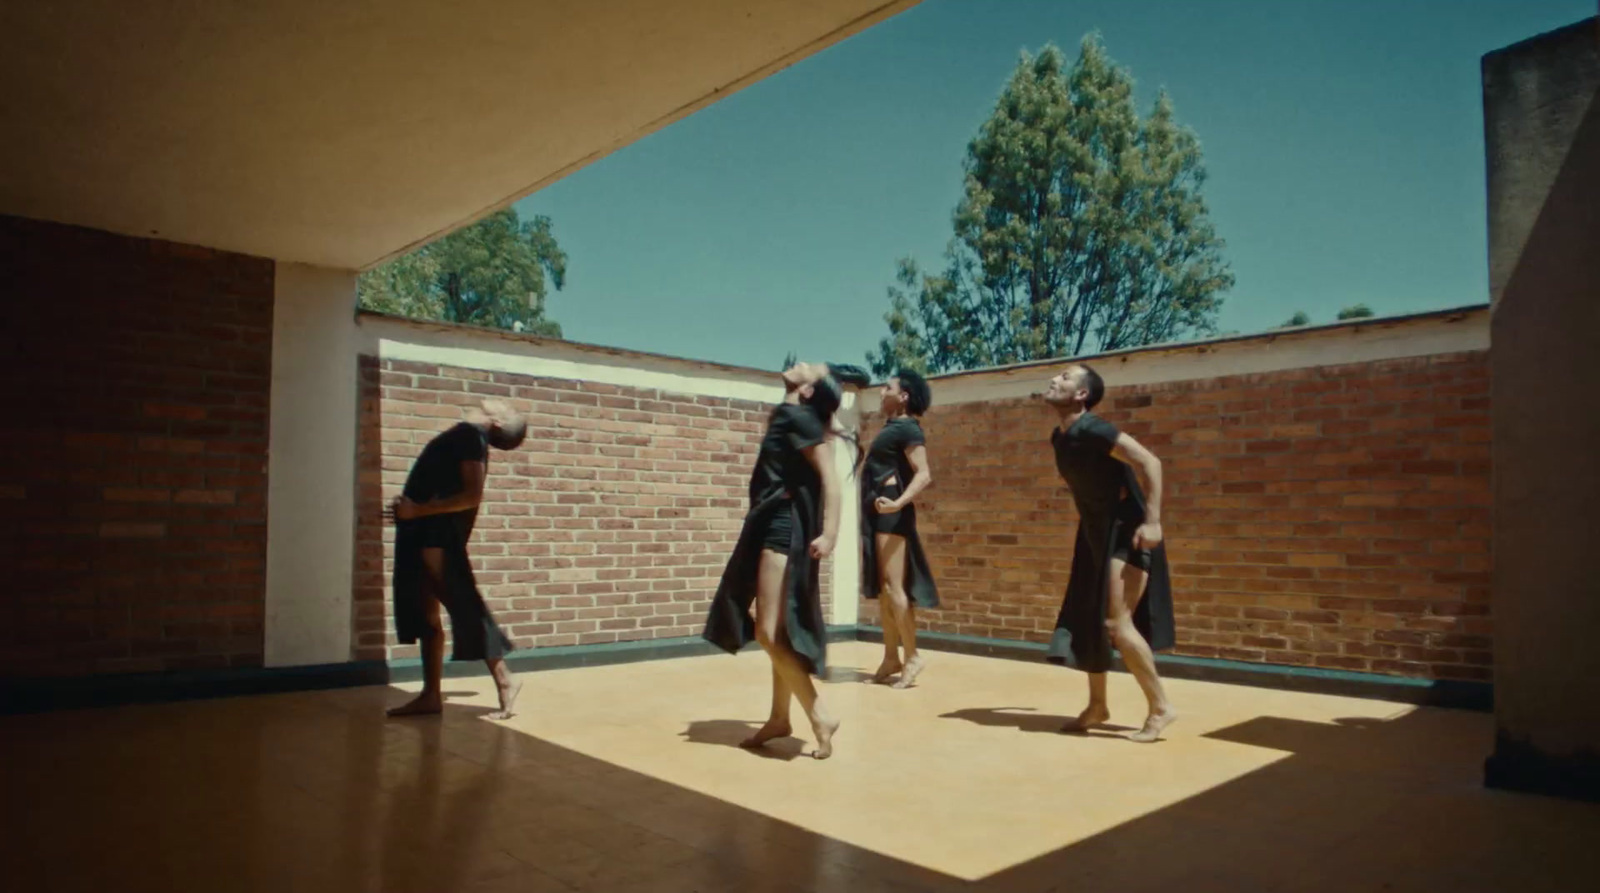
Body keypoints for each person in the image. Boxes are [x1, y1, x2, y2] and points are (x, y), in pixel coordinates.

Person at [703, 361, 869, 759]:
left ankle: (819, 714)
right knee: (777, 630)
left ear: (808, 391)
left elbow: (831, 481)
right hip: (772, 526)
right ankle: (780, 717)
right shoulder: (792, 416)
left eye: (810, 368)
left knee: (767, 632)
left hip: (781, 530)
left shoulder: (800, 419)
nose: (801, 363)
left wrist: (829, 534)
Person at [1041, 364, 1178, 742]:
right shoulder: (1061, 437)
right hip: (1093, 534)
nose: (1055, 380)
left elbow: (1150, 462)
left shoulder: (1094, 429)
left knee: (1117, 623)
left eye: (1066, 378)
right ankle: (1097, 705)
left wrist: (1152, 522)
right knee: (1088, 618)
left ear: (1082, 395)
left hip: (1127, 530)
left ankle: (1161, 707)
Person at [385, 398, 527, 720]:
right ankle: (431, 695)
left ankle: (505, 680)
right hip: (421, 534)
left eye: (508, 409)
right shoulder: (465, 436)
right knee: (427, 616)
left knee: (463, 606)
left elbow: (471, 495)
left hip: (436, 539)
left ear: (498, 423)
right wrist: (410, 505)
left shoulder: (469, 437)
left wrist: (418, 509)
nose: (503, 403)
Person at [860, 369, 939, 688]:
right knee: (884, 589)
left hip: (891, 512)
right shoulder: (893, 427)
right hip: (880, 512)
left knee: (895, 588)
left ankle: (912, 656)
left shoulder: (908, 428)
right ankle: (891, 657)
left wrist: (898, 503)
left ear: (903, 396)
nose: (881, 392)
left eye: (887, 387)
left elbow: (924, 474)